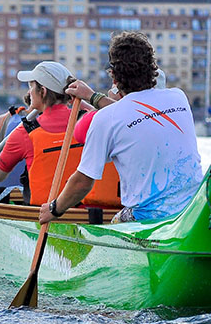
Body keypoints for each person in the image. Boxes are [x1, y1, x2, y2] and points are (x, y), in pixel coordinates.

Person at [39, 32, 201, 224]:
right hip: (193, 210)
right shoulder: (178, 97)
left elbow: (82, 182)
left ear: (114, 77)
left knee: (116, 220)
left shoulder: (106, 119)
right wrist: (93, 98)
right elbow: (135, 113)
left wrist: (54, 209)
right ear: (153, 70)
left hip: (149, 218)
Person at [0, 61, 79, 206]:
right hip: (81, 209)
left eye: (31, 87)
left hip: (43, 212)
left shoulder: (24, 132)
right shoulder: (86, 120)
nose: (29, 93)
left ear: (43, 91)